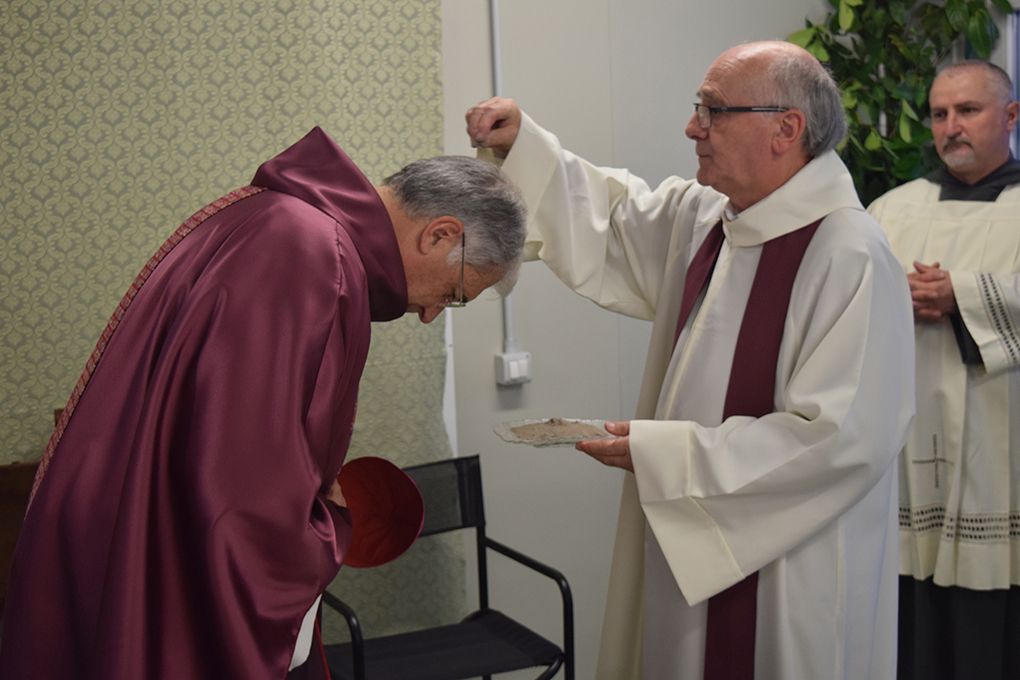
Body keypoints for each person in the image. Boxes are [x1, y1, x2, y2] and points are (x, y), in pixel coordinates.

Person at [0, 127, 527, 680]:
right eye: (454, 294)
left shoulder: (284, 220)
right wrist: (325, 523)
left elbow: (226, 427)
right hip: (159, 545)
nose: (430, 315)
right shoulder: (311, 251)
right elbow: (240, 489)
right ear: (441, 235)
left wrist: (306, 477)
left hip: (129, 515)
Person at [467, 40, 915, 679]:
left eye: (713, 111)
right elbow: (615, 219)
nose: (692, 127)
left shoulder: (851, 254)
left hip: (787, 567)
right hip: (689, 537)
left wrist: (667, 455)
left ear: (786, 129)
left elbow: (841, 438)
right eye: (697, 107)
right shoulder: (711, 216)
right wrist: (524, 148)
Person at [867, 61, 1020, 680]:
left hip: (1003, 450)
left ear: (1011, 116)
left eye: (968, 111)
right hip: (907, 453)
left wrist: (965, 297)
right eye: (939, 113)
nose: (950, 127)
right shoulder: (889, 211)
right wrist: (890, 298)